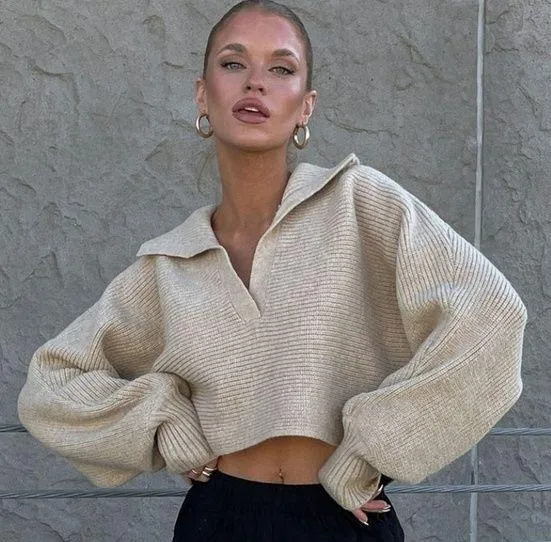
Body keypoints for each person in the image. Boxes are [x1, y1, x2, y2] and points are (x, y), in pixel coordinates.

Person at [17, 1, 527, 540]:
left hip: (341, 518)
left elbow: (492, 316)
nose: (255, 82)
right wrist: (163, 419)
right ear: (202, 95)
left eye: (280, 68)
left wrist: (372, 449)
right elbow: (52, 384)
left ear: (306, 105)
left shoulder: (359, 204)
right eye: (233, 63)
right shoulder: (170, 264)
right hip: (218, 520)